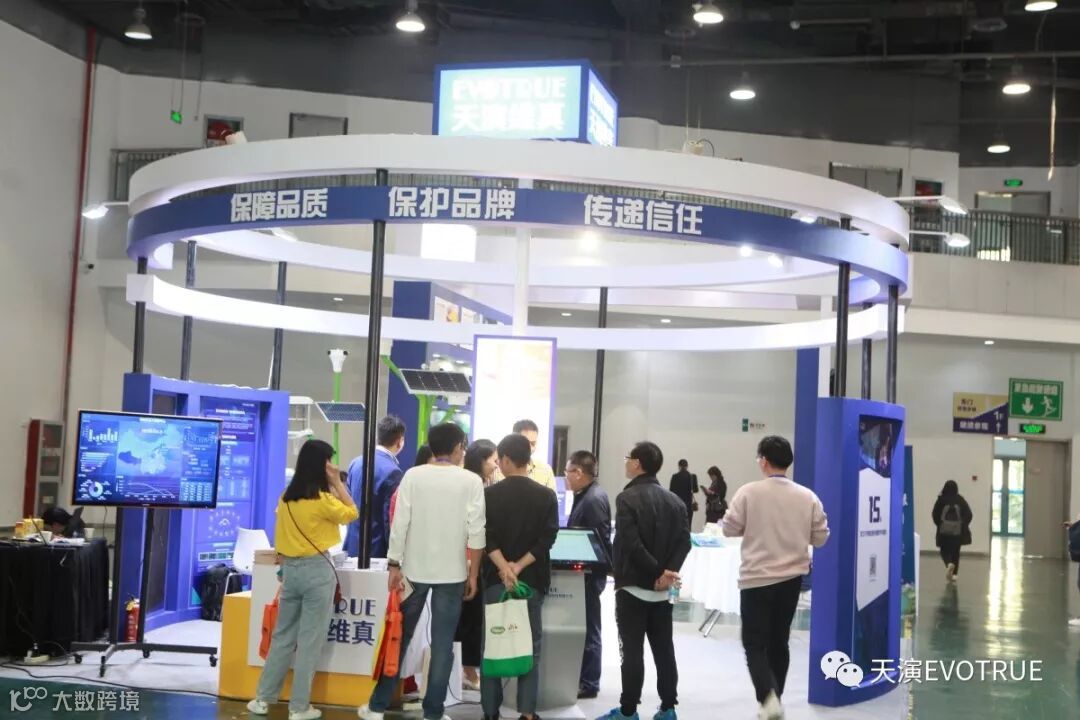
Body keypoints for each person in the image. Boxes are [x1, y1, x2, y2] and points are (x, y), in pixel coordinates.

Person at [359, 423, 486, 720]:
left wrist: (394, 564)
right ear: (458, 447)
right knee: (443, 645)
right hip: (453, 574)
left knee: (399, 638)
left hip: (413, 572)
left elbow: (400, 524)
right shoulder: (471, 481)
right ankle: (433, 713)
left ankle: (377, 706)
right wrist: (473, 575)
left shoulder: (413, 476)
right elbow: (477, 533)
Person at [247, 439, 358, 720]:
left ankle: (262, 699)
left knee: (282, 636)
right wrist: (338, 482)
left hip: (291, 572)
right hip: (317, 571)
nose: (333, 465)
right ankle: (299, 707)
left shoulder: (285, 497)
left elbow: (280, 535)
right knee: (310, 640)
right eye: (329, 460)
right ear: (322, 464)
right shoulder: (323, 500)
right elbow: (352, 512)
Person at [722, 436, 830, 720]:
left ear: (764, 461)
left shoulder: (748, 492)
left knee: (754, 643)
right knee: (779, 641)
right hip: (791, 579)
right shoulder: (807, 496)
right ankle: (774, 699)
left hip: (756, 579)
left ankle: (767, 697)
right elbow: (821, 537)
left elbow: (729, 528)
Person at [597, 441, 690, 720]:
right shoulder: (676, 501)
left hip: (634, 587)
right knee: (664, 649)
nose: (626, 462)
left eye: (628, 458)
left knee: (632, 651)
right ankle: (668, 708)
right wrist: (667, 572)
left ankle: (628, 711)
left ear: (637, 463)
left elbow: (631, 544)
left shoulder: (627, 498)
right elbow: (684, 542)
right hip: (663, 592)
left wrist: (656, 573)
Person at [480, 433, 559, 720]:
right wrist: (518, 567)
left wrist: (504, 568)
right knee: (530, 647)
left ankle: (490, 712)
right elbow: (547, 539)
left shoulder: (489, 495)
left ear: (506, 460)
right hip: (532, 581)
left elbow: (486, 536)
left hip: (495, 580)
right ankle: (527, 712)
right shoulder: (546, 496)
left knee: (492, 645)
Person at [565, 450, 611, 700]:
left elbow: (598, 543)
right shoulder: (588, 494)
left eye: (567, 471)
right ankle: (584, 678)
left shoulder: (592, 499)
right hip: (585, 574)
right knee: (586, 626)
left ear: (579, 472)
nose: (565, 477)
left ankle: (589, 682)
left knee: (590, 628)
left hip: (589, 575)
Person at [458, 438, 498, 691]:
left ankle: (468, 668)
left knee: (474, 618)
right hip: (468, 560)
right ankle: (468, 670)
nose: (496, 465)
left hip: (478, 560)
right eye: (493, 460)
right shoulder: (471, 486)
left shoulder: (483, 485)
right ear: (481, 461)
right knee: (469, 618)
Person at [344, 415, 406, 559]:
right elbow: (389, 518)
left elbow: (348, 503)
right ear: (399, 441)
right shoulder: (393, 472)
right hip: (377, 551)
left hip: (352, 546)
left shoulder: (355, 463)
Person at [931, 480, 973, 582]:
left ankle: (948, 563)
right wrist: (962, 524)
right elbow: (969, 514)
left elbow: (934, 514)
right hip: (957, 533)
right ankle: (954, 575)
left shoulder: (941, 500)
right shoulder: (960, 500)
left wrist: (940, 524)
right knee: (956, 552)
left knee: (944, 550)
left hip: (943, 533)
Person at [512, 419, 557, 491]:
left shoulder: (546, 470)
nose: (529, 448)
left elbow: (552, 497)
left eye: (533, 443)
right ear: (513, 441)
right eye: (525, 443)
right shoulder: (498, 470)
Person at [668, 459, 699, 529]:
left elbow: (671, 490)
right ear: (687, 466)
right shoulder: (692, 477)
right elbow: (696, 490)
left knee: (677, 526)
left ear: (679, 466)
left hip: (677, 505)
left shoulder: (675, 477)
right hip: (688, 505)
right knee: (688, 525)